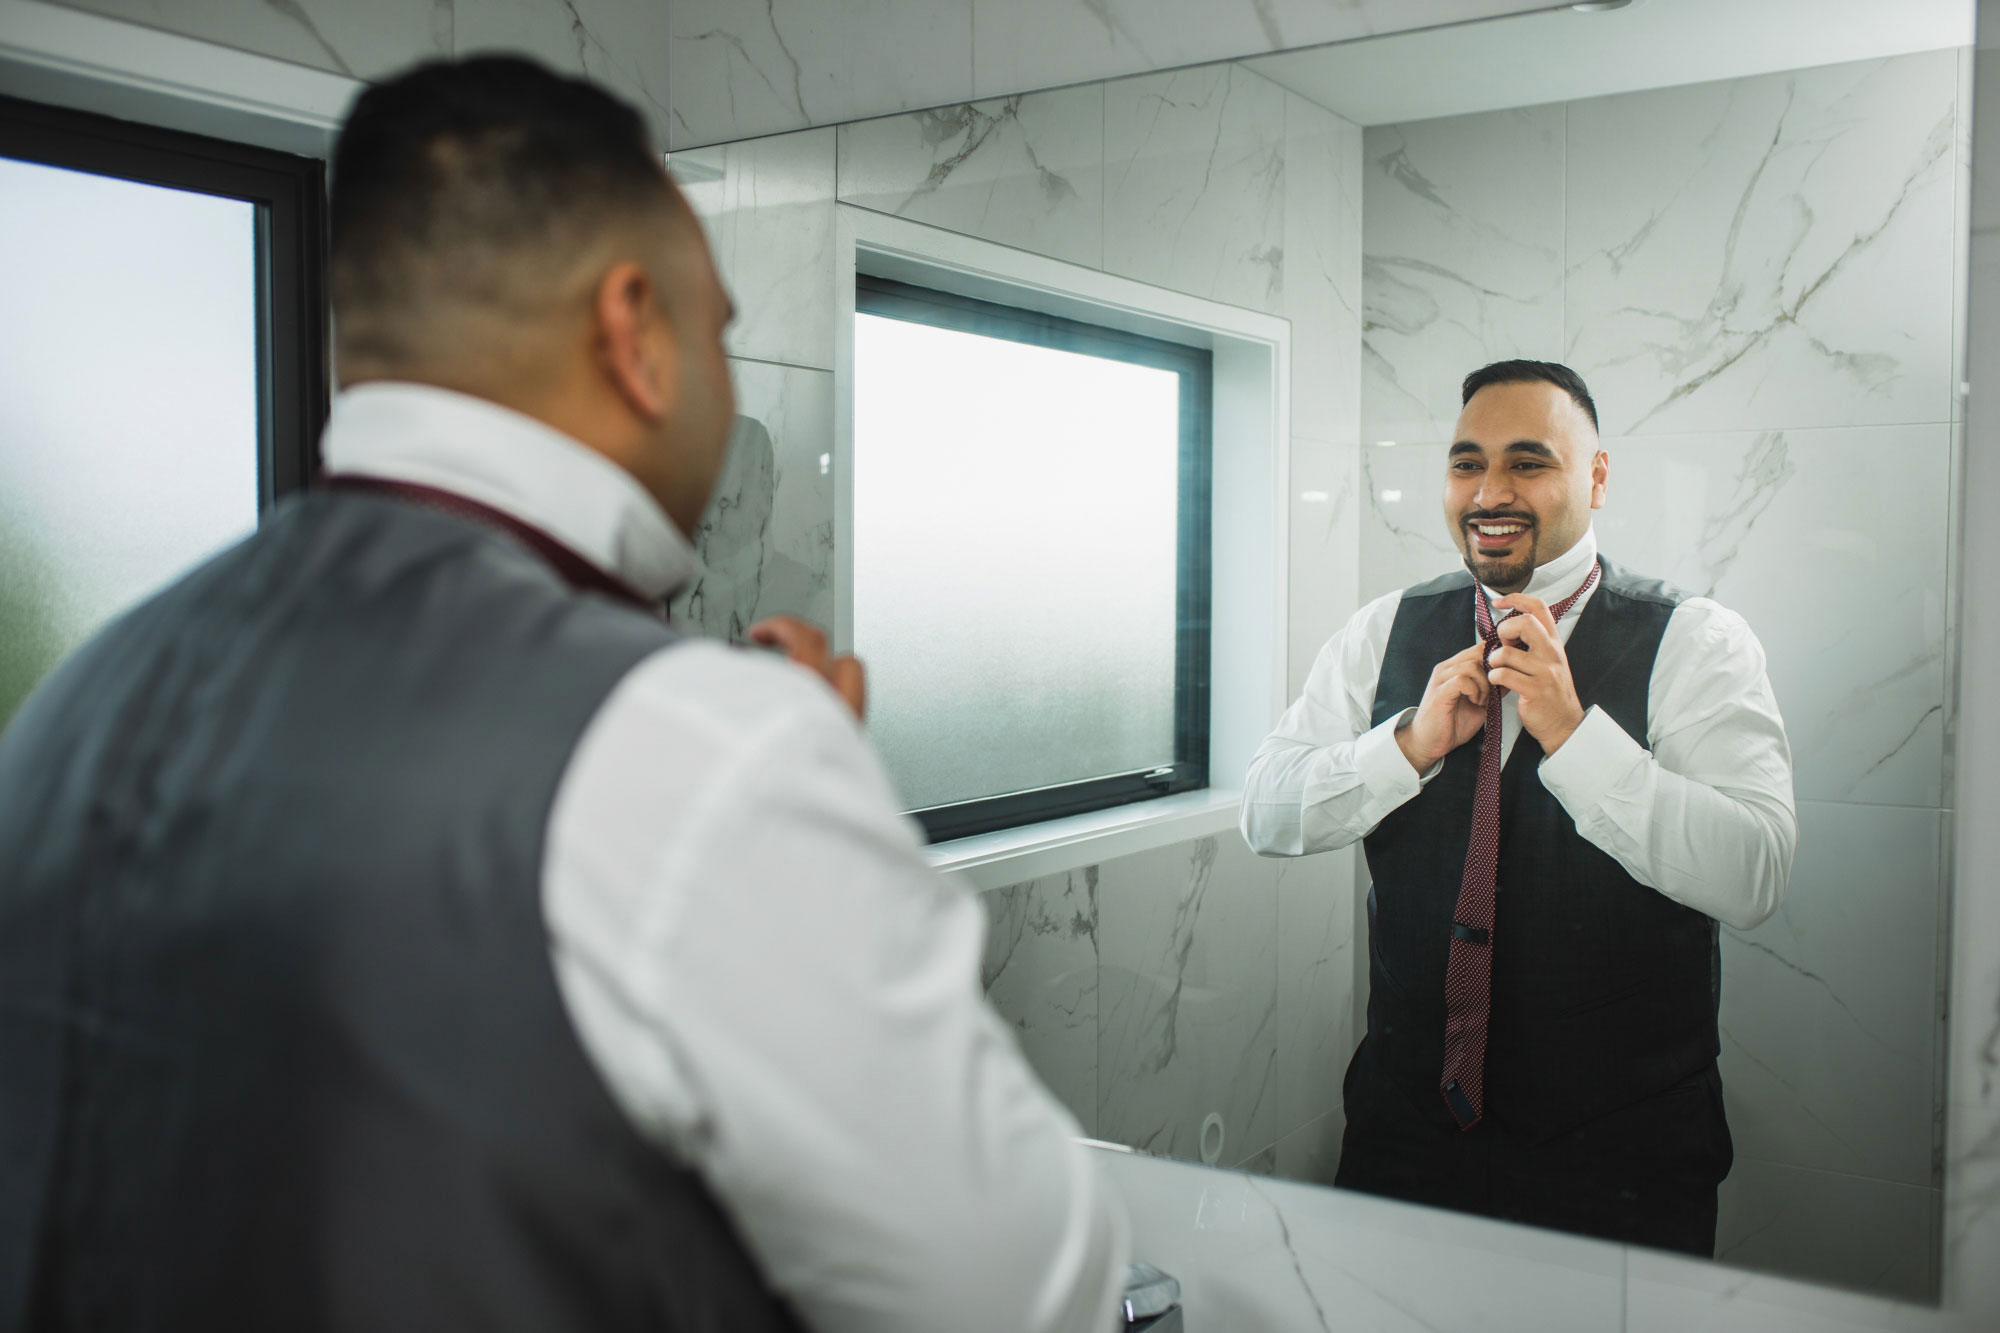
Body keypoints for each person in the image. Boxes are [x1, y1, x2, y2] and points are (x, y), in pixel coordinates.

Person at [0, 57, 1126, 1332]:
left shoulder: (75, 707)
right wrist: (831, 817)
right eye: (718, 327)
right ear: (633, 333)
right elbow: (1028, 1298)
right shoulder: (701, 751)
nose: (726, 378)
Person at [1241, 359, 1796, 1257]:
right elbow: (1265, 812)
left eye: (1528, 463)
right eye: (1467, 464)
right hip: (1403, 1142)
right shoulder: (1381, 630)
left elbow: (1755, 871)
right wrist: (1407, 746)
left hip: (1623, 1166)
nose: (1490, 492)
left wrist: (1577, 739)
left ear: (1597, 477)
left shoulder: (1698, 642)